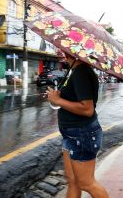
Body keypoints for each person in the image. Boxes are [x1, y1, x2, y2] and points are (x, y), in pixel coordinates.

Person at [47, 55, 109, 198]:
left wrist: (58, 100)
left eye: (64, 50)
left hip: (82, 134)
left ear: (74, 52)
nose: (62, 53)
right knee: (73, 181)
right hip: (72, 135)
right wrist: (58, 97)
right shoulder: (75, 71)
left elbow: (87, 109)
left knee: (86, 183)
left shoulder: (81, 72)